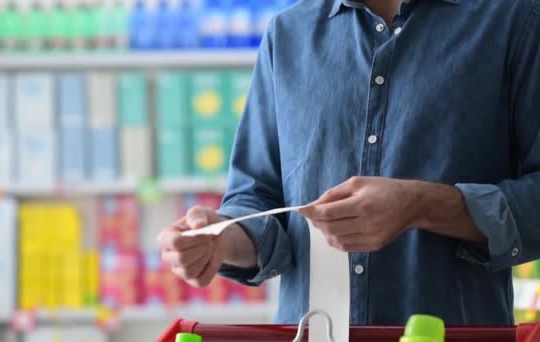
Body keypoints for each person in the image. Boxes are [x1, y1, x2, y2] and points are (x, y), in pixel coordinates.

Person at [158, 0, 540, 325]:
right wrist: (222, 239)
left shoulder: (514, 19)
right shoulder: (288, 35)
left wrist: (421, 205)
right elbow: (258, 200)